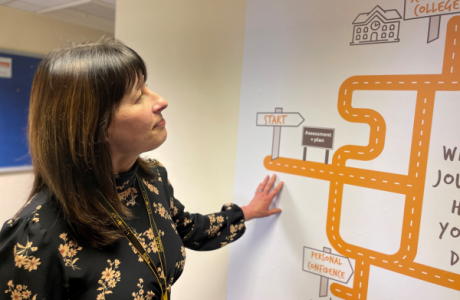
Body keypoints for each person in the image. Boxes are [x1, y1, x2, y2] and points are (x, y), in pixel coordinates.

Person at [0, 37, 283, 300]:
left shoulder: (152, 178)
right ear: (92, 125)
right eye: (138, 97)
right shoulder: (36, 236)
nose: (161, 101)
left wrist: (247, 212)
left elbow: (188, 228)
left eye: (147, 86)